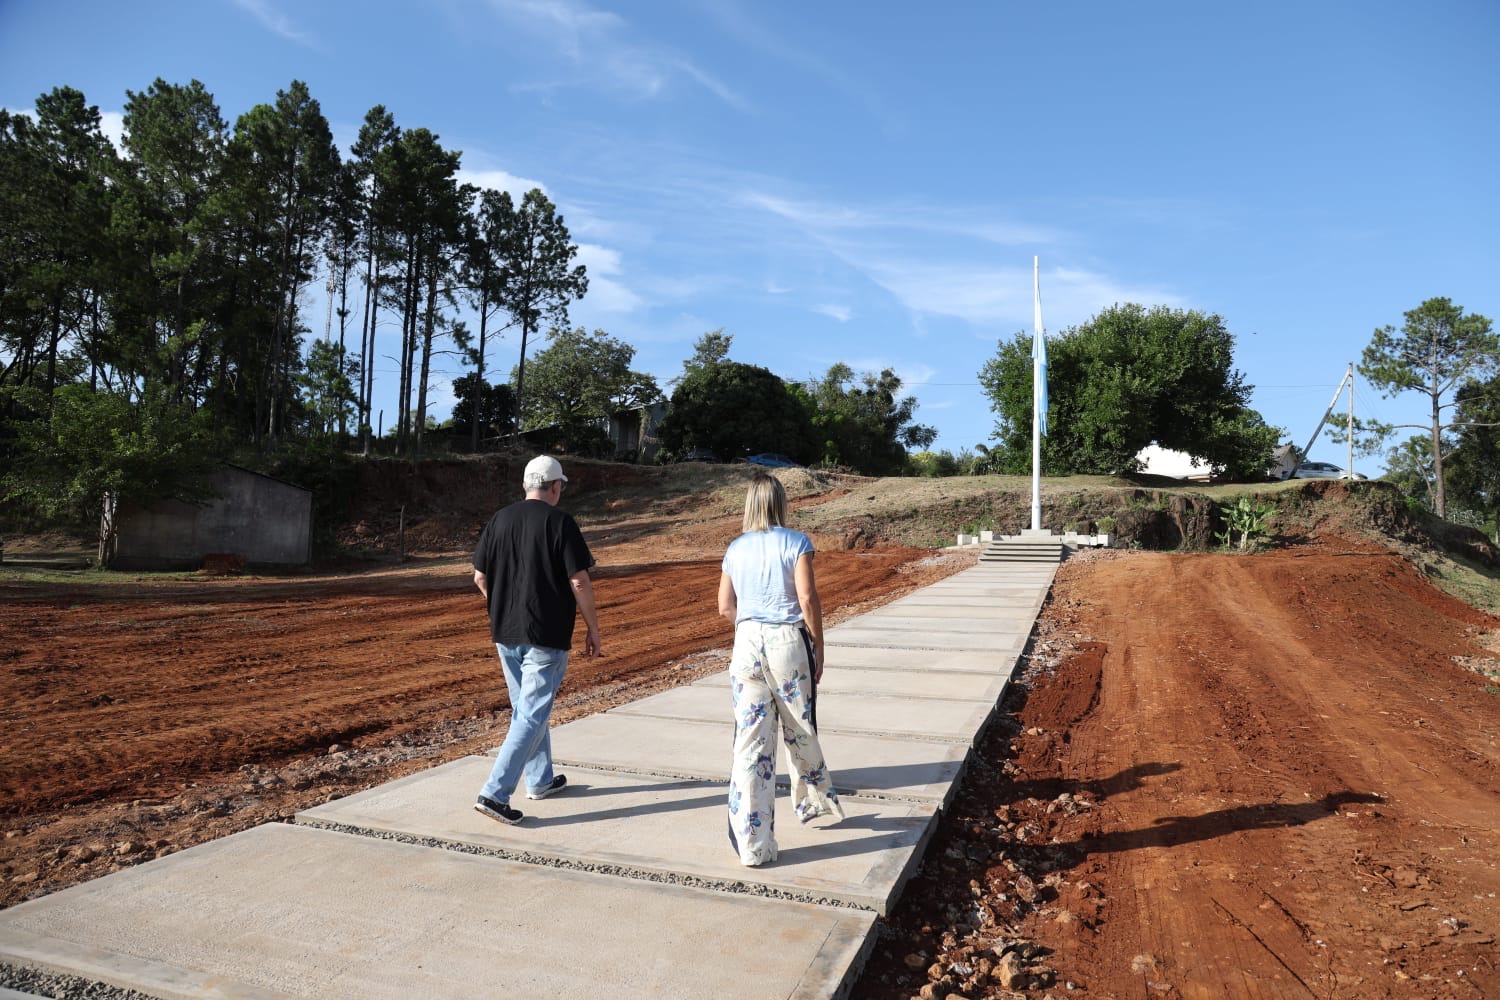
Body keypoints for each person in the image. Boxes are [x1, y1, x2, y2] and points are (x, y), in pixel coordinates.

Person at [717, 472, 844, 866]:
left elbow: (724, 606)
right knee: (800, 728)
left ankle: (753, 842)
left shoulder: (735, 549)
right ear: (781, 503)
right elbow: (806, 598)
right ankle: (812, 803)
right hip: (787, 641)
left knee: (751, 742)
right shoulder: (797, 542)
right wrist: (819, 645)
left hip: (747, 642)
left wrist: (750, 626)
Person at [472, 455, 602, 825]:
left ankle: (540, 778)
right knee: (530, 714)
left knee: (527, 711)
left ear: (526, 485)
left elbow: (480, 577)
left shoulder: (499, 519)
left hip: (505, 633)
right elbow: (578, 581)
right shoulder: (561, 523)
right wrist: (593, 628)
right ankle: (495, 794)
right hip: (545, 636)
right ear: (555, 486)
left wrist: (500, 608)